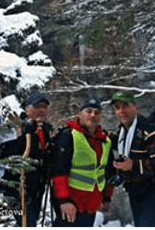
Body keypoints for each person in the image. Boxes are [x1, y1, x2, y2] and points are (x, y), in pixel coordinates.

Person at [49, 97, 115, 227]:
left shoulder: (105, 140)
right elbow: (58, 171)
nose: (92, 115)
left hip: (92, 202)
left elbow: (107, 171)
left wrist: (107, 197)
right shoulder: (68, 135)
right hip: (71, 202)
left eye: (97, 112)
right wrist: (64, 200)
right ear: (80, 114)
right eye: (88, 111)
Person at [0, 92, 53, 227]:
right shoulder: (16, 125)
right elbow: (4, 155)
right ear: (26, 109)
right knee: (27, 225)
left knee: (31, 223)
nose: (41, 110)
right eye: (36, 106)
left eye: (44, 107)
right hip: (19, 188)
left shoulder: (45, 131)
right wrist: (20, 134)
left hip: (36, 187)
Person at [110, 90, 155, 226]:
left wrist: (133, 166)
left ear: (134, 107)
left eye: (125, 106)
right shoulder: (120, 132)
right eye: (117, 108)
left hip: (151, 192)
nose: (121, 111)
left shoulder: (148, 129)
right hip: (133, 190)